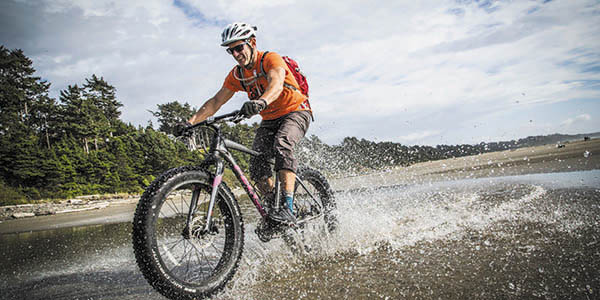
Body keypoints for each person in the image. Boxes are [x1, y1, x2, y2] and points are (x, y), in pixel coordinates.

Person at [184, 22, 312, 224]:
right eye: (230, 51)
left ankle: (288, 209)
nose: (235, 54)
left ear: (252, 43)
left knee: (282, 145)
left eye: (238, 48)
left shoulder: (269, 59)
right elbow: (216, 101)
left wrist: (262, 101)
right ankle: (273, 210)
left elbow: (276, 83)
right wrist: (189, 123)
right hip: (270, 119)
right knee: (257, 163)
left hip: (295, 111)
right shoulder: (237, 75)